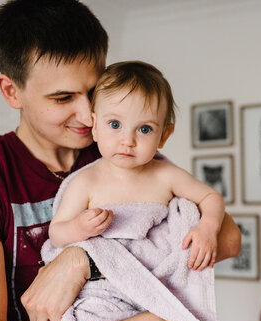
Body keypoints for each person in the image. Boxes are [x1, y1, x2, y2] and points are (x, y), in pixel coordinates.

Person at [0, 0, 241, 321]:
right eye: (63, 97)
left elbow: (227, 237)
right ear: (12, 91)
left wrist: (81, 260)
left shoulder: (115, 151)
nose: (89, 115)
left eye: (93, 91)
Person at [49, 61, 224, 272]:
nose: (128, 140)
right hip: (103, 280)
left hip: (154, 276)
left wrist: (207, 229)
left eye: (144, 129)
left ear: (164, 136)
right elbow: (56, 234)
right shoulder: (86, 182)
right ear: (94, 127)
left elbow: (210, 197)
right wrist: (78, 227)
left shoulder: (165, 176)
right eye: (115, 125)